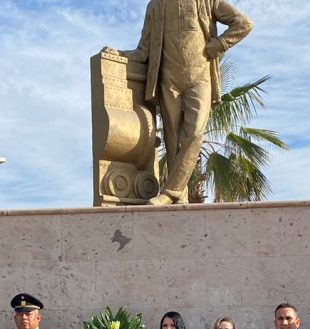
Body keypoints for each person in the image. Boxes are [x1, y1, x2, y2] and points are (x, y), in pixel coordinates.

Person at [103, 0, 253, 204]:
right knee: (171, 139)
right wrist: (120, 55)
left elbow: (243, 23)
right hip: (169, 80)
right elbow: (143, 50)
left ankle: (171, 191)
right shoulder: (155, 5)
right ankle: (178, 196)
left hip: (199, 79)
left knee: (194, 134)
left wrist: (219, 44)